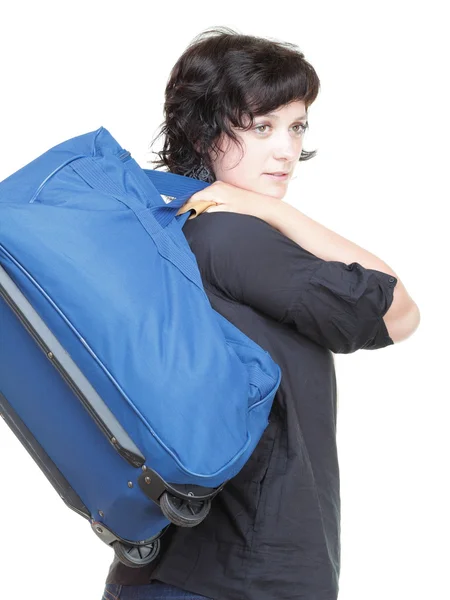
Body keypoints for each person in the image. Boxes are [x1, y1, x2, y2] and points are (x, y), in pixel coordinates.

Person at [102, 26, 420, 600]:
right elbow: (400, 310)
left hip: (183, 568)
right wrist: (272, 214)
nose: (286, 149)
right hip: (241, 574)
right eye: (261, 126)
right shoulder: (228, 236)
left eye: (296, 126)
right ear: (203, 132)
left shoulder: (171, 232)